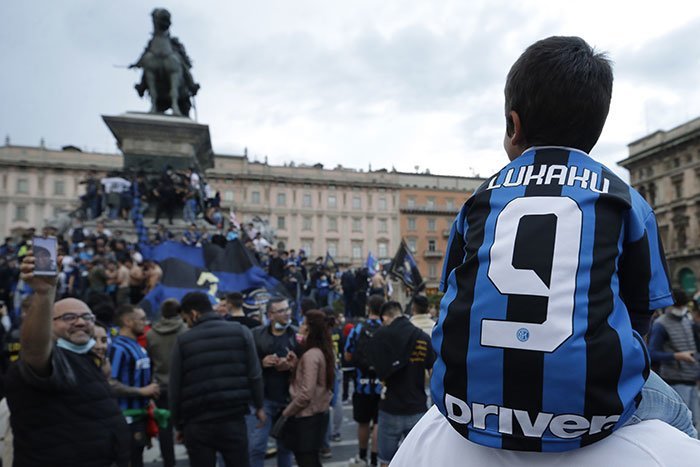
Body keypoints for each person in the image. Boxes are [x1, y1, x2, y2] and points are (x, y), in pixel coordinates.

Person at [393, 36, 700, 466]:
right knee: (683, 419)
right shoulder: (625, 199)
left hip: (463, 406)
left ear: (513, 125)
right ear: (595, 129)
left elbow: (450, 294)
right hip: (590, 415)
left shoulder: (478, 200)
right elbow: (641, 315)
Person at [5, 252, 129, 466]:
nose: (80, 322)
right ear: (48, 325)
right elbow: (34, 348)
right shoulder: (50, 361)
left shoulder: (87, 359)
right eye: (68, 317)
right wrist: (44, 294)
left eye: (86, 317)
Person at [169, 291, 265, 467]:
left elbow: (175, 386)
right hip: (233, 418)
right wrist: (259, 406)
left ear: (194, 314)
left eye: (186, 319)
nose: (187, 324)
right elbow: (255, 374)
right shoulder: (241, 332)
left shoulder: (183, 341)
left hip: (197, 423)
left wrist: (178, 424)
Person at [367, 301, 434, 466]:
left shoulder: (381, 336)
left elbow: (373, 365)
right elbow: (433, 371)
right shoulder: (422, 337)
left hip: (390, 406)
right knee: (416, 460)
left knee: (386, 461)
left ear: (385, 317)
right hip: (417, 406)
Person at [249, 297, 299, 467]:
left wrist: (293, 365)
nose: (287, 313)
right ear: (270, 315)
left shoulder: (296, 335)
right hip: (264, 399)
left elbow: (308, 365)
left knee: (285, 448)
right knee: (256, 447)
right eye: (281, 311)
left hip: (288, 400)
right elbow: (248, 363)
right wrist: (261, 363)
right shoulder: (256, 334)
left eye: (287, 309)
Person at [280, 309, 334, 467]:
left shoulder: (311, 355)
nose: (300, 327)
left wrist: (287, 412)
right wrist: (296, 365)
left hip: (307, 417)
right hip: (317, 414)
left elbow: (306, 393)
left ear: (310, 329)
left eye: (303, 323)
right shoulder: (320, 352)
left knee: (306, 459)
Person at [109, 304, 160, 467]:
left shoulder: (138, 346)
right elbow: (111, 383)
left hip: (141, 417)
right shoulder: (118, 348)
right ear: (128, 321)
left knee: (138, 458)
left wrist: (150, 395)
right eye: (142, 319)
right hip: (125, 419)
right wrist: (142, 391)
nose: (145, 323)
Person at [648, 289, 700, 428]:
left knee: (695, 423)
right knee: (683, 425)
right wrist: (676, 356)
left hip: (692, 380)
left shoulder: (688, 322)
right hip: (675, 381)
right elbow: (651, 353)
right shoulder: (661, 324)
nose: (680, 309)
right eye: (678, 306)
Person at [344, 294, 385, 467]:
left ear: (368, 307)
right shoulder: (386, 328)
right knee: (377, 422)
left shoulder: (358, 328)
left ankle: (362, 456)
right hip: (382, 385)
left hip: (362, 385)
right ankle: (375, 459)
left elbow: (347, 355)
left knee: (363, 422)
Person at [146, 298, 187, 467]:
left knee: (165, 428)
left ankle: (169, 463)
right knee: (189, 426)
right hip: (184, 386)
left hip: (161, 386)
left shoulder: (151, 334)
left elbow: (149, 361)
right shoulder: (185, 331)